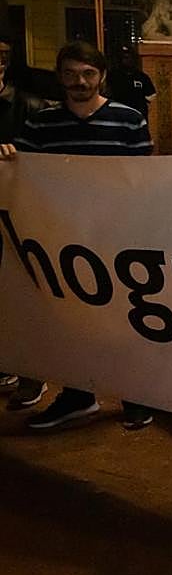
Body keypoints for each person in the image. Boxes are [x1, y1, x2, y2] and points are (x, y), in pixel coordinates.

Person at [5, 42, 154, 430]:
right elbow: (23, 173)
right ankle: (77, 395)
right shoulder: (42, 123)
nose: (80, 82)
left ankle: (135, 396)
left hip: (115, 239)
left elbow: (145, 179)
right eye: (71, 74)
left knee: (124, 319)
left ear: (101, 76)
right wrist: (8, 158)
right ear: (60, 77)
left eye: (88, 73)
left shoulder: (129, 120)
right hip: (62, 241)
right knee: (69, 321)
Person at [0, 36, 50, 410]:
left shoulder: (29, 107)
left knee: (24, 293)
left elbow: (45, 162)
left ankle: (32, 375)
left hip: (20, 219)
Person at [106, 45, 157, 119]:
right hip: (118, 115)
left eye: (128, 57)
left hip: (138, 115)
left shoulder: (142, 77)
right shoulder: (113, 76)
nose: (125, 61)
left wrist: (140, 102)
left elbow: (151, 95)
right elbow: (106, 93)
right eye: (123, 58)